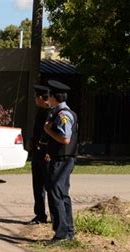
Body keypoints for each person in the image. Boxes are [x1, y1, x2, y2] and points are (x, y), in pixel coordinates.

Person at [43, 80, 78, 242]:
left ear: (54, 97)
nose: (47, 98)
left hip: (63, 160)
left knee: (57, 194)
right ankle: (68, 230)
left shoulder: (63, 114)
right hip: (61, 158)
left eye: (48, 96)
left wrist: (48, 130)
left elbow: (65, 139)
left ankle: (62, 233)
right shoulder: (58, 112)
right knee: (62, 194)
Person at [29, 84, 52, 225]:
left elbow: (52, 136)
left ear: (42, 98)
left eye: (36, 97)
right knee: (37, 186)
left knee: (50, 186)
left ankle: (55, 216)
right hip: (37, 152)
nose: (34, 100)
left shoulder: (52, 112)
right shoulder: (40, 111)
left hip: (47, 153)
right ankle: (40, 214)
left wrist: (49, 151)